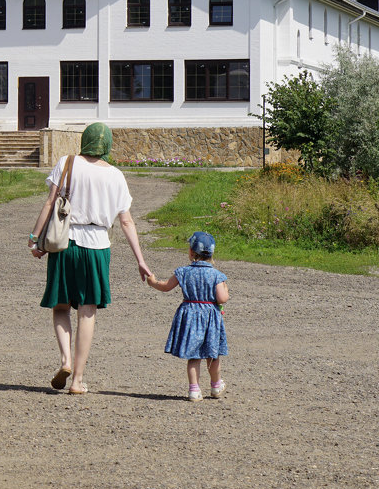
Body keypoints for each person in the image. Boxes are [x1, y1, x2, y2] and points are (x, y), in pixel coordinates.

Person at [28, 122, 151, 394]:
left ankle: (65, 361)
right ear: (106, 145)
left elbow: (50, 203)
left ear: (85, 141)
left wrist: (35, 238)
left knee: (60, 306)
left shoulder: (67, 162)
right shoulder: (116, 175)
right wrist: (140, 260)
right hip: (97, 247)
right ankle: (77, 380)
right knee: (87, 311)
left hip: (65, 243)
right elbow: (126, 221)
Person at [145, 230, 230, 401]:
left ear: (191, 252)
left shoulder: (183, 272)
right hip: (209, 318)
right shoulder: (216, 275)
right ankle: (215, 386)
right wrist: (226, 290)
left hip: (190, 316)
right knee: (212, 355)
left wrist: (153, 282)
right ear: (212, 254)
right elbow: (222, 298)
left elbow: (166, 286)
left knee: (194, 356)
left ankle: (194, 389)